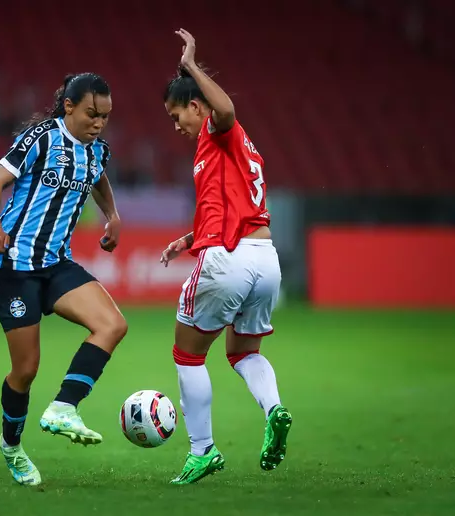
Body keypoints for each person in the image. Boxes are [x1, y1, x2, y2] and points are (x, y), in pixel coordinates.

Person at [159, 29, 292, 485]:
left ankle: (203, 451)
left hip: (229, 260)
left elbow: (227, 109)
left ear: (197, 106)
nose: (176, 125)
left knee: (187, 354)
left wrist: (193, 66)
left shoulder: (220, 128)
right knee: (243, 351)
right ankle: (274, 409)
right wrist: (190, 236)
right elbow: (236, 205)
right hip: (264, 258)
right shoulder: (236, 149)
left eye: (178, 115)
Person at [0, 73, 127, 486]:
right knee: (25, 370)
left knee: (112, 324)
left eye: (106, 117)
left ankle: (64, 406)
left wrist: (112, 215)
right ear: (68, 106)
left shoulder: (98, 149)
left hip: (56, 263)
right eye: (91, 114)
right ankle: (11, 446)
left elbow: (97, 177)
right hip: (12, 264)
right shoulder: (40, 138)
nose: (99, 123)